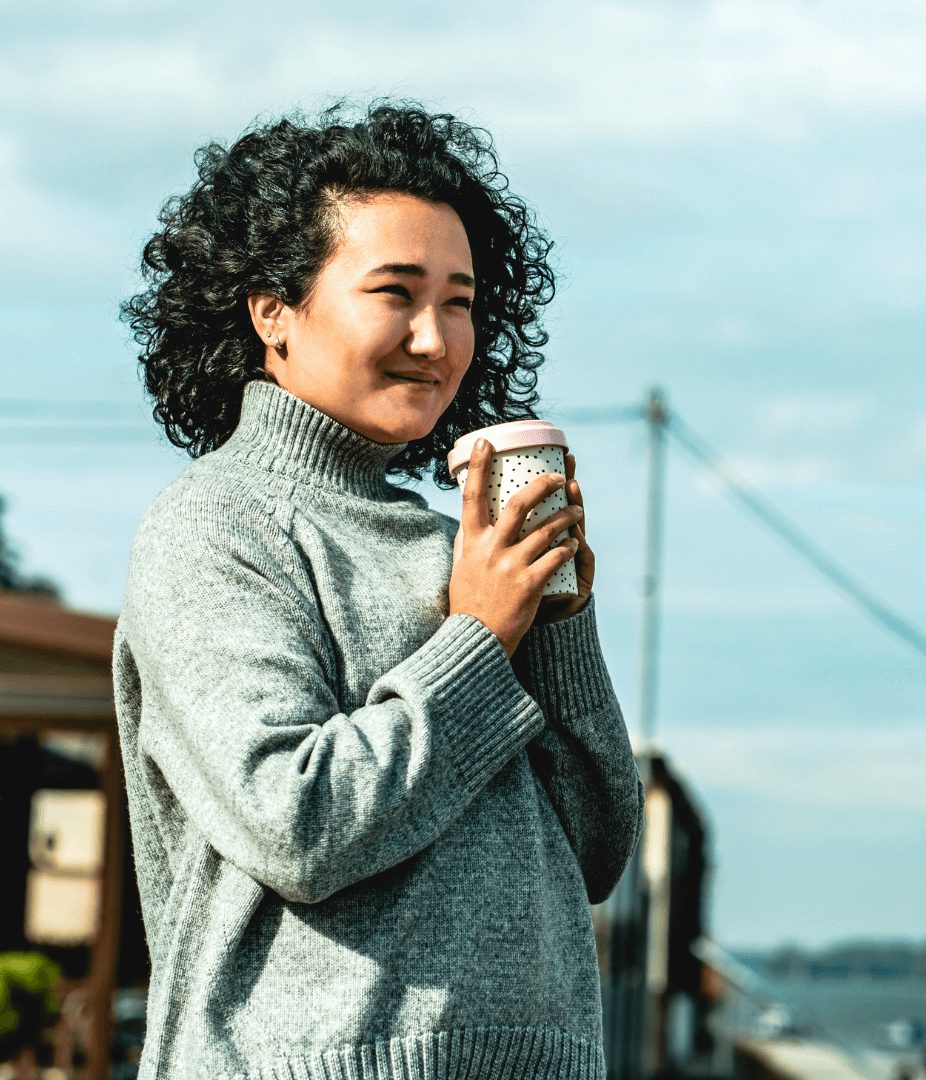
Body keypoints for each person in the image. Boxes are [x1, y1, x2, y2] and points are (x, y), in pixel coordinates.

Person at [114, 101, 645, 1079]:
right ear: (272, 310)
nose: (436, 341)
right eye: (394, 292)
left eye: (461, 302)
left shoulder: (456, 548)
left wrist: (555, 621)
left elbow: (597, 852)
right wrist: (479, 636)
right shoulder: (213, 524)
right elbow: (297, 822)